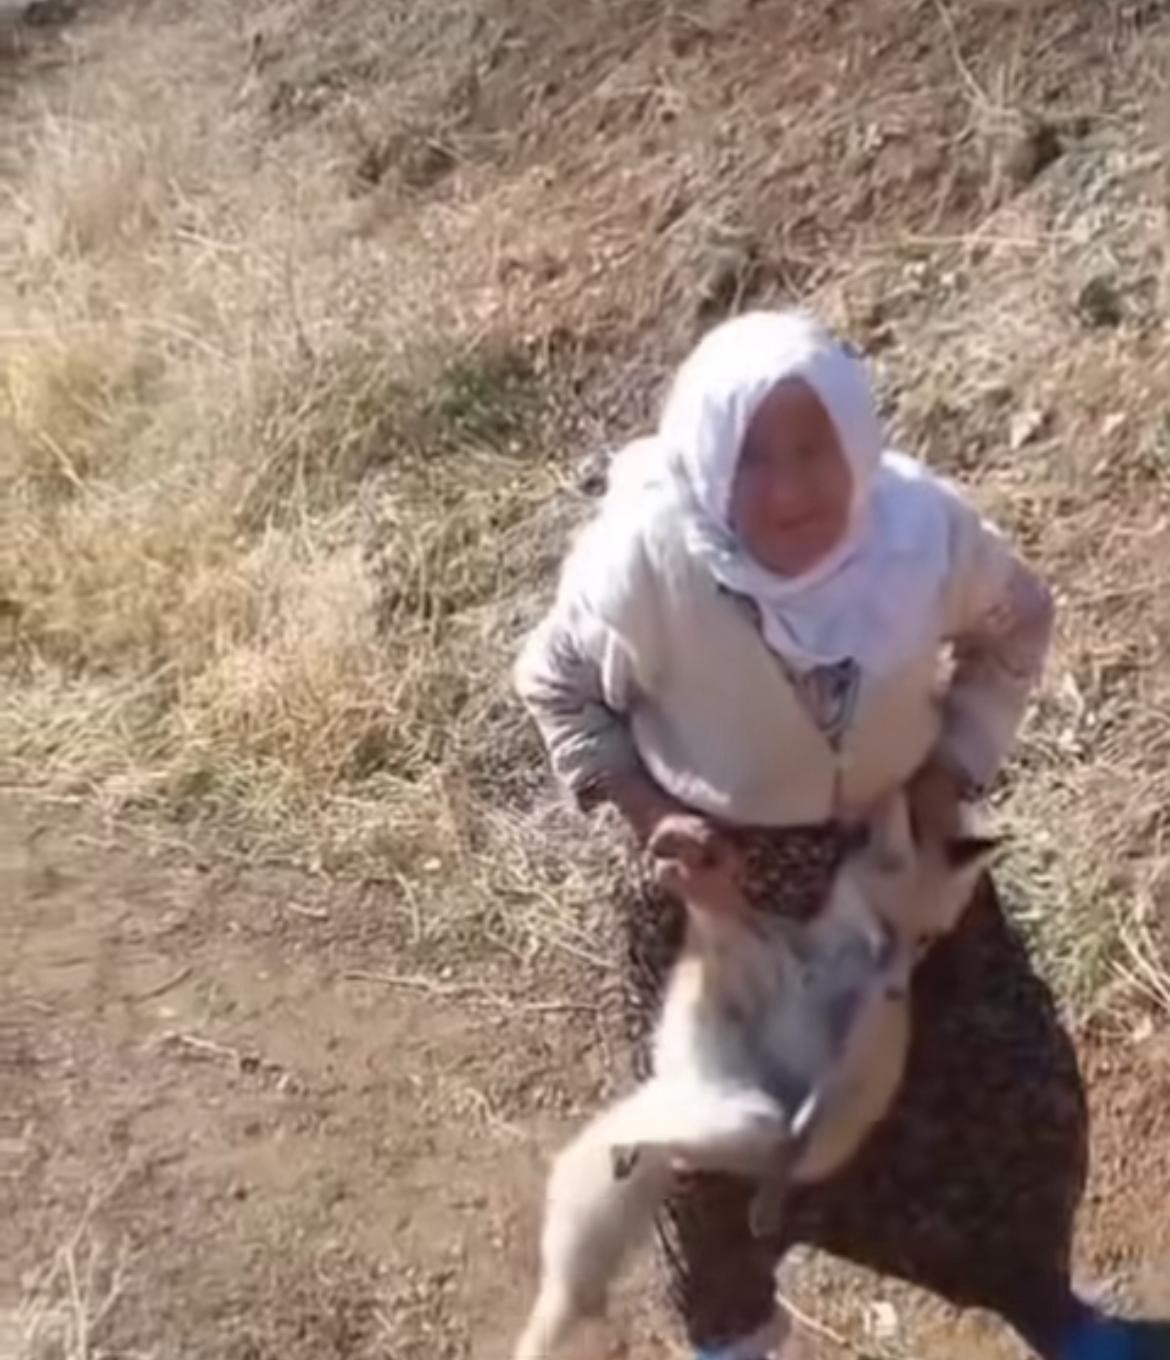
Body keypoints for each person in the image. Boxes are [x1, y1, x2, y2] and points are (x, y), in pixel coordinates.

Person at [514, 310, 1168, 1360]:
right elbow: (557, 685)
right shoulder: (649, 556)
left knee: (1011, 1088)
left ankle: (1047, 1309)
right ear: (705, 456)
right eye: (752, 456)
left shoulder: (919, 535)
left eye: (813, 448)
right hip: (720, 893)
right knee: (720, 1157)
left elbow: (1018, 627)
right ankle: (733, 1343)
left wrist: (950, 772)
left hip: (895, 867)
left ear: (857, 442)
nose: (786, 490)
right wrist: (650, 814)